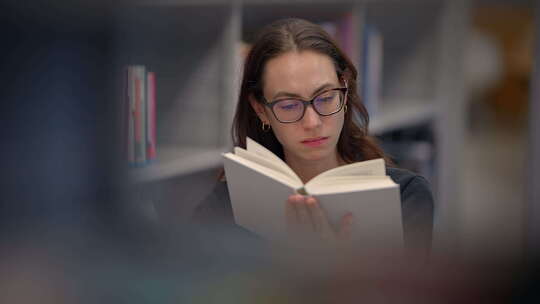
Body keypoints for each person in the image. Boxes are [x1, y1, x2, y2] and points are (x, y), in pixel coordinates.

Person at [193, 18, 434, 255]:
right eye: (288, 105)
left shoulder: (405, 197)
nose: (312, 122)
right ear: (261, 110)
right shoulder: (225, 206)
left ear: (344, 90)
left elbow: (410, 294)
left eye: (326, 97)